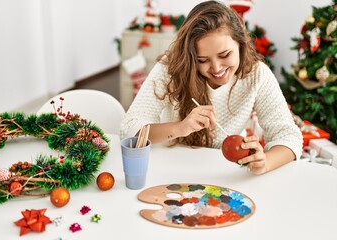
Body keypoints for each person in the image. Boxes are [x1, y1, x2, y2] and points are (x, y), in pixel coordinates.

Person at [119, 0, 303, 175]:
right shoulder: (170, 69)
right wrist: (180, 128)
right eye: (202, 60)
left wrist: (265, 162)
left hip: (226, 173)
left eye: (225, 55)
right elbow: (128, 129)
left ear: (240, 43)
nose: (216, 68)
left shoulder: (256, 74)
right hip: (171, 166)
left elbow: (289, 137)